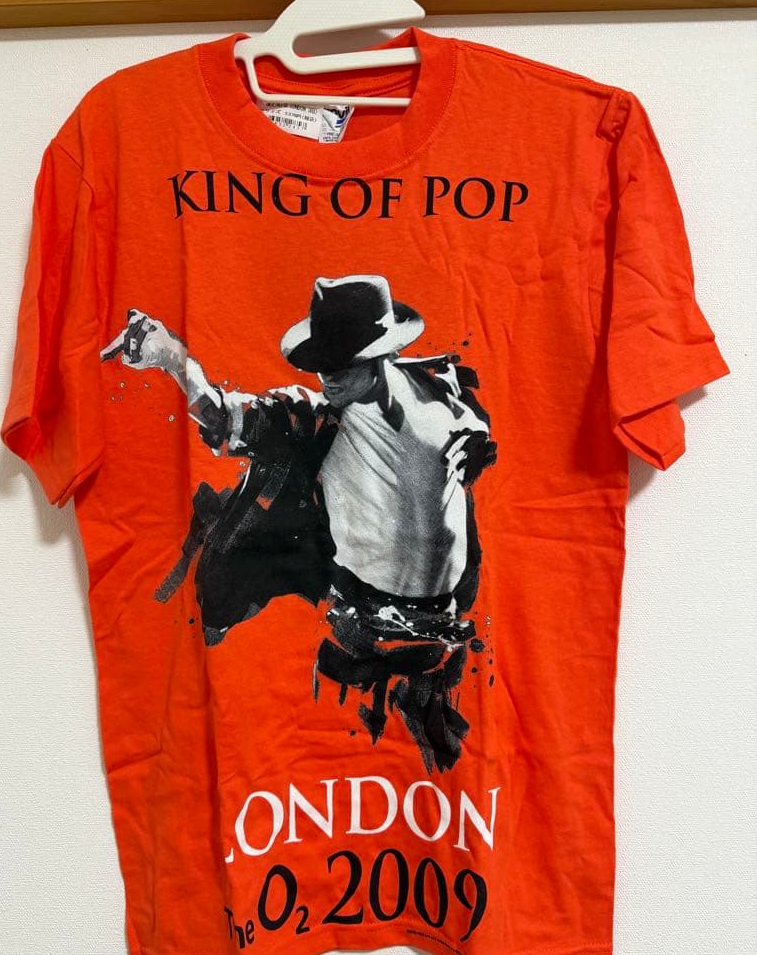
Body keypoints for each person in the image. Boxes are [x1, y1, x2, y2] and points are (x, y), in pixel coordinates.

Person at [101, 274, 497, 772]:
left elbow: (473, 426)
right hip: (359, 635)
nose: (327, 377)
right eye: (320, 364)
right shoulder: (313, 418)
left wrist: (479, 441)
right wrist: (173, 359)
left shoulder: (446, 393)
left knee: (451, 779)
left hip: (445, 644)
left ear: (381, 355)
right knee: (336, 774)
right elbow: (227, 418)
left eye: (341, 364)